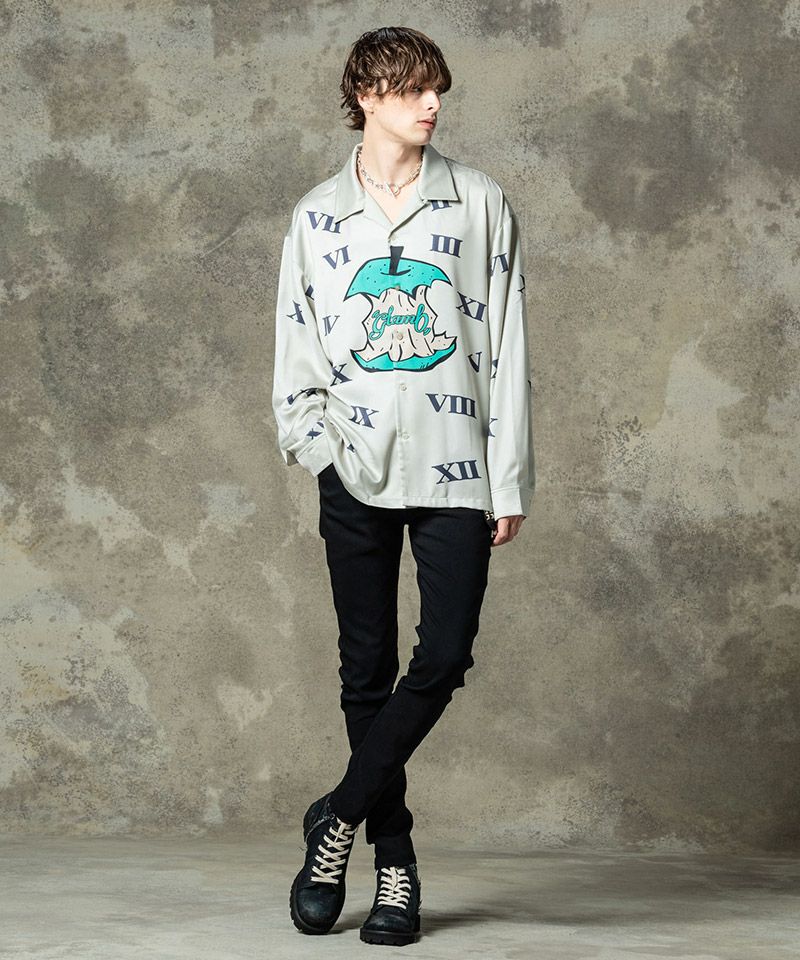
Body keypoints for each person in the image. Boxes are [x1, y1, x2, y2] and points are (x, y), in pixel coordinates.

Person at [271, 25, 535, 947]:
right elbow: (297, 343)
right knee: (366, 668)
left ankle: (336, 813)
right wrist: (316, 448)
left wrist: (508, 479)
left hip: (456, 462)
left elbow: (506, 344)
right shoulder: (317, 216)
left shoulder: (480, 201)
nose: (433, 104)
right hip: (354, 465)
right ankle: (396, 866)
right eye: (414, 89)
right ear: (367, 97)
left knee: (445, 654)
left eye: (437, 89)